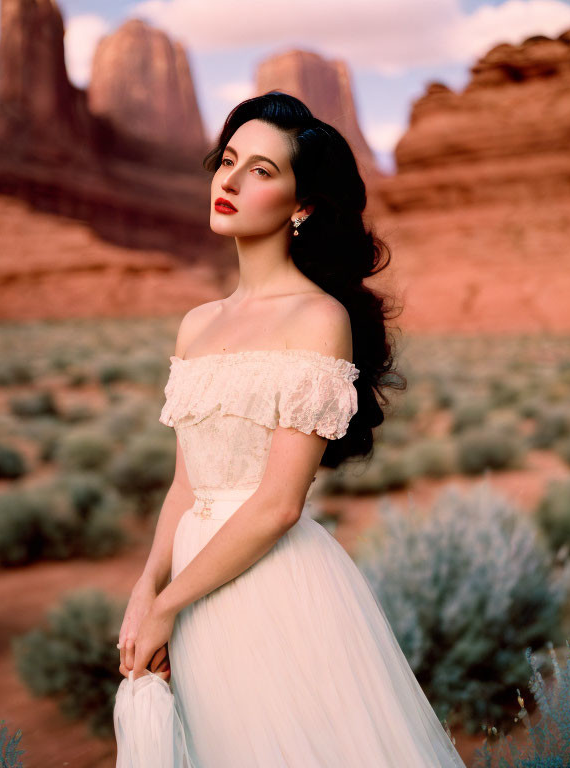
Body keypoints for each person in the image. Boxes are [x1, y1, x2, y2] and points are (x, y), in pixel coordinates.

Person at [116, 91, 467, 767]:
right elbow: (187, 484)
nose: (231, 180)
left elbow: (278, 505)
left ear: (302, 205)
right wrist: (146, 589)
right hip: (192, 579)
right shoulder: (196, 323)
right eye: (228, 160)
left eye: (262, 171)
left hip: (273, 587)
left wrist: (169, 606)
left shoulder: (317, 318)